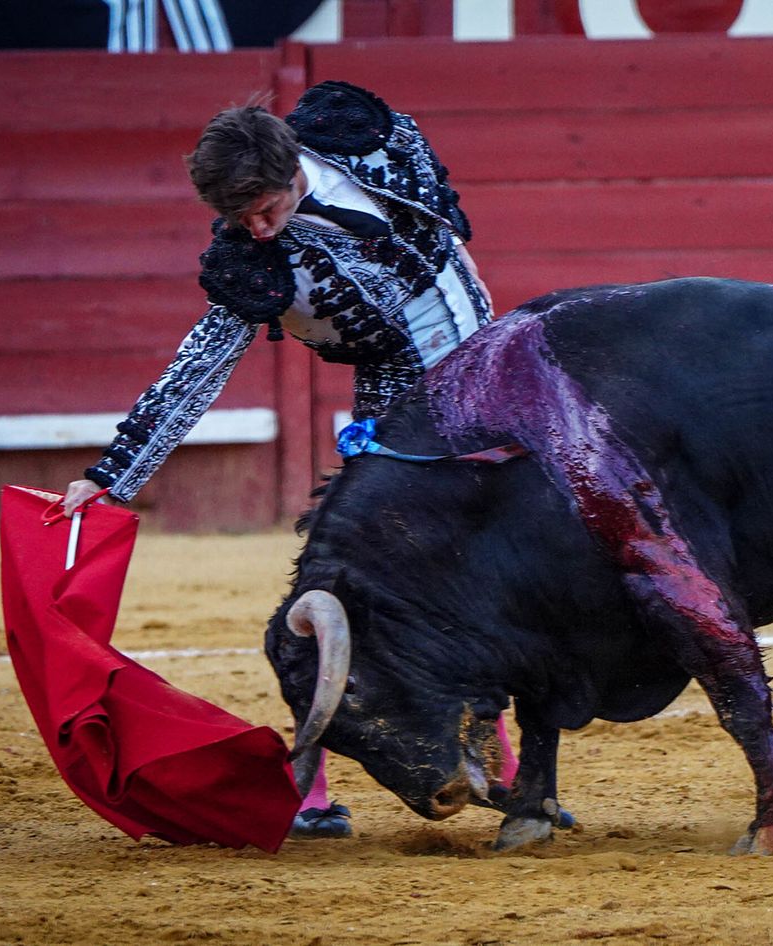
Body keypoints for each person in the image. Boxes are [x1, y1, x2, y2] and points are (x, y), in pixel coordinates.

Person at [61, 80, 514, 839]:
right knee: (355, 571)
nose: (258, 229)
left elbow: (443, 226)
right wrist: (113, 477)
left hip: (482, 356)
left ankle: (500, 758)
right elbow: (199, 367)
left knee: (497, 558)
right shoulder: (249, 260)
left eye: (266, 209)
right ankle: (310, 785)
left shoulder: (361, 135)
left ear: (293, 168)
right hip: (395, 385)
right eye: (238, 218)